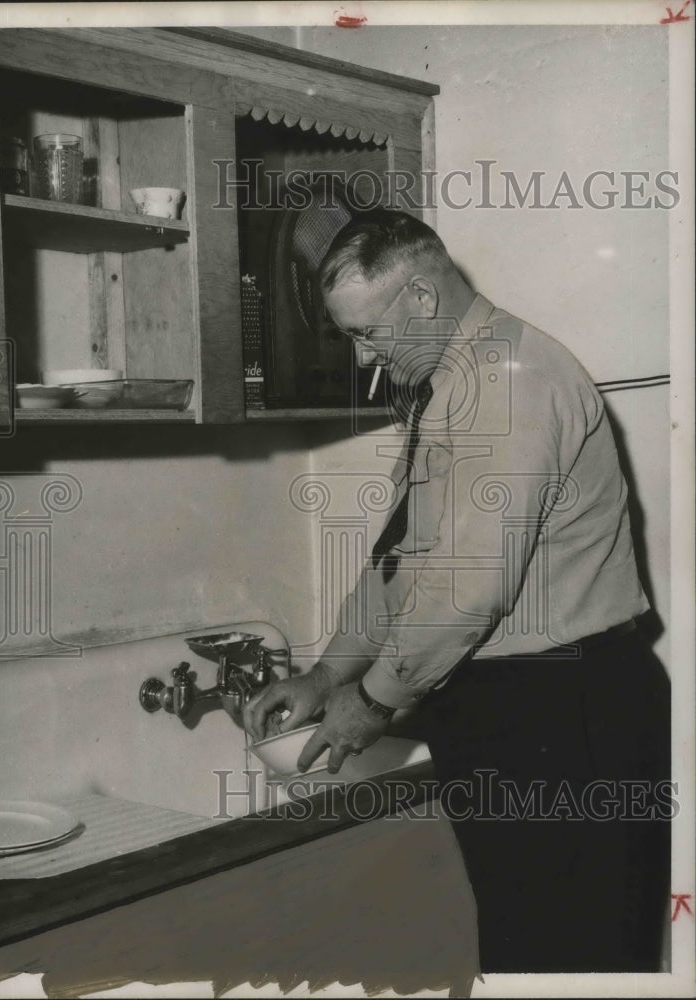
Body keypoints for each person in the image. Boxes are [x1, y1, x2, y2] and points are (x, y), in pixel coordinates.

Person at [244, 209, 670, 973]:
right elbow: (407, 556)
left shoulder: (509, 383)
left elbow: (466, 587)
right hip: (513, 706)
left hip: (565, 711)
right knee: (525, 948)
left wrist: (371, 702)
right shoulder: (455, 384)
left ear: (423, 299)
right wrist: (329, 672)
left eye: (370, 334)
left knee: (572, 962)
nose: (366, 358)